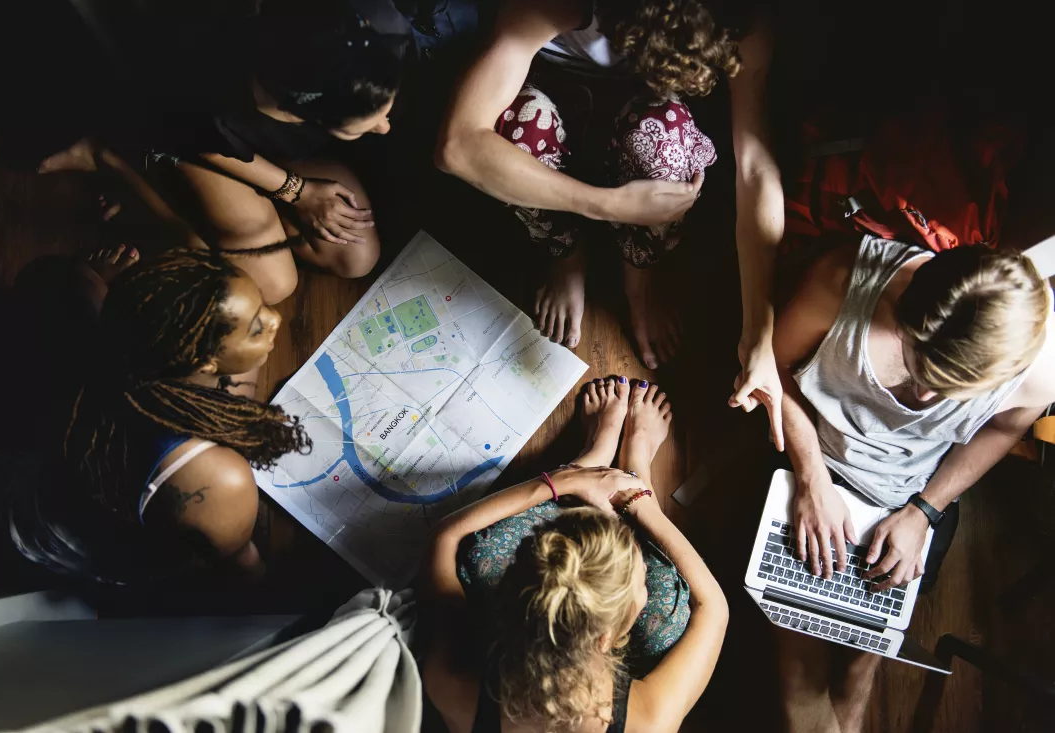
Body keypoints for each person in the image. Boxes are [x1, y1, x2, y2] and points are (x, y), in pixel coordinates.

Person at [436, 0, 784, 435]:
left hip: (647, 111)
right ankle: (566, 254)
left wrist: (759, 335)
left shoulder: (743, 17)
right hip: (551, 86)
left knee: (667, 138)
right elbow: (458, 146)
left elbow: (756, 168)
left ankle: (640, 276)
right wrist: (607, 205)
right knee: (518, 129)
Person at [772, 237, 1055, 732]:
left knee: (866, 642)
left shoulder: (1040, 369)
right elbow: (773, 369)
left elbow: (1004, 430)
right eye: (915, 363)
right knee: (799, 656)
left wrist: (924, 510)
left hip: (916, 495)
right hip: (816, 458)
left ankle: (859, 671)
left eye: (948, 391)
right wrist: (812, 479)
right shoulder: (843, 282)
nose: (923, 397)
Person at [43, 0, 411, 305]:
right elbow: (205, 145)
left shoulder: (378, 28)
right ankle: (112, 159)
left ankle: (203, 206)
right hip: (192, 144)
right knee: (274, 286)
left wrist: (304, 193)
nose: (384, 128)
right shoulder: (211, 97)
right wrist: (299, 192)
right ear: (297, 114)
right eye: (363, 126)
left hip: (262, 148)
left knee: (356, 258)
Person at [422, 377, 728, 732]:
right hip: (634, 510)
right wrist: (642, 504)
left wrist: (566, 479)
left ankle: (590, 462)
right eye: (639, 580)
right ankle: (635, 472)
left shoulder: (454, 687)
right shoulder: (648, 722)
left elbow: (445, 536)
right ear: (608, 639)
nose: (642, 584)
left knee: (480, 555)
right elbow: (713, 609)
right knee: (667, 623)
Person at [10, 248, 312, 583]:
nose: (276, 318)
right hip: (82, 538)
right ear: (203, 363)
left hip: (51, 469)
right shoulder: (219, 480)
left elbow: (64, 275)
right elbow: (241, 563)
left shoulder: (100, 316)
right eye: (256, 328)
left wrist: (102, 279)